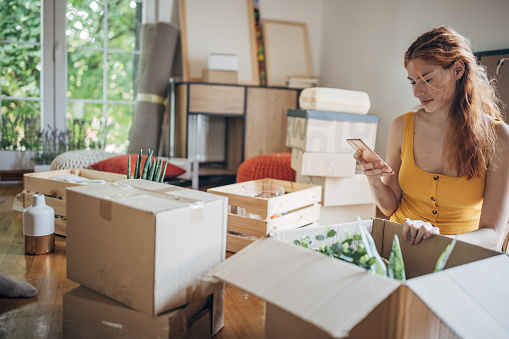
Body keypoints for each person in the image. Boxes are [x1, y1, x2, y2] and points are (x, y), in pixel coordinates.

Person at [354, 26, 509, 249]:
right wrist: (374, 180)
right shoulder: (402, 126)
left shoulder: (499, 136)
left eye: (426, 79)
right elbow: (389, 207)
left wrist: (437, 243)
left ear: (457, 70)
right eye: (412, 81)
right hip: (399, 247)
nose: (417, 92)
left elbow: (493, 233)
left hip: (458, 256)